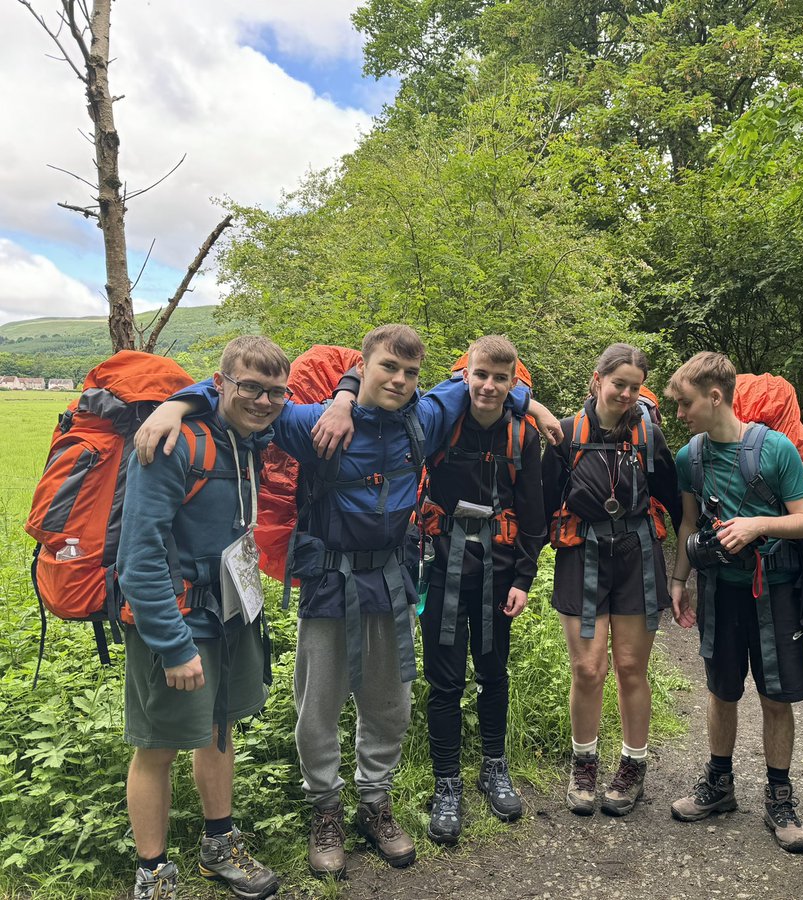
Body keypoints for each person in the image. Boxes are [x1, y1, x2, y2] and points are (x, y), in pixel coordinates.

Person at [135, 326, 555, 879]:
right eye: (387, 369)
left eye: (410, 372)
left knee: (390, 703)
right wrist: (176, 404)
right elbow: (246, 398)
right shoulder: (311, 423)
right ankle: (326, 810)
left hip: (392, 581)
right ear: (364, 367)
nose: (400, 380)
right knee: (318, 708)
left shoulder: (425, 415)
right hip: (329, 583)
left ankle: (374, 804)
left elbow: (482, 381)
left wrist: (534, 402)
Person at [118, 336, 289, 900]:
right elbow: (137, 558)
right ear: (219, 384)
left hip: (231, 615)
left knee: (219, 731)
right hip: (175, 620)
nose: (263, 401)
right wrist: (172, 644)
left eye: (274, 392)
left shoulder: (248, 442)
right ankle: (153, 874)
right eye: (250, 387)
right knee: (158, 746)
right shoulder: (172, 444)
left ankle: (219, 848)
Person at [666, 351, 803, 853]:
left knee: (775, 696)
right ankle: (719, 785)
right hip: (720, 591)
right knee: (721, 690)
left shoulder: (775, 450)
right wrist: (679, 580)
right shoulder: (692, 455)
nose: (680, 413)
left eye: (685, 403)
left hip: (774, 589)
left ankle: (779, 796)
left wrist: (757, 525)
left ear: (715, 397)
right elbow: (689, 523)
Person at [541, 343, 681, 817]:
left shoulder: (649, 436)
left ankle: (632, 767)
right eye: (618, 383)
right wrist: (517, 572)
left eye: (634, 387)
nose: (625, 393)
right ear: (596, 380)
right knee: (587, 668)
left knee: (629, 667)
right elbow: (541, 505)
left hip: (637, 557)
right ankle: (584, 764)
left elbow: (678, 503)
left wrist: (685, 570)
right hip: (582, 555)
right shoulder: (563, 435)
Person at [420, 336, 546, 845]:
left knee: (493, 674)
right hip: (442, 571)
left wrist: (523, 578)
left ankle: (494, 768)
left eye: (500, 378)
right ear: (464, 376)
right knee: (444, 682)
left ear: (514, 383)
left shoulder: (523, 436)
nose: (489, 386)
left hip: (498, 576)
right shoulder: (441, 427)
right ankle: (446, 783)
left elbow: (534, 515)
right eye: (480, 376)